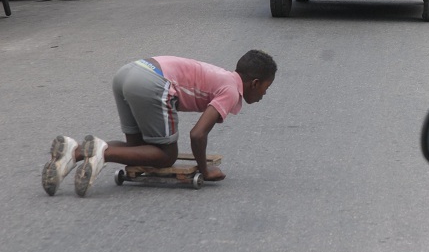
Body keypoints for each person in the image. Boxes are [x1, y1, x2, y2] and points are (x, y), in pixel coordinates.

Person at [41, 50, 277, 197]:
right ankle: (102, 153)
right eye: (266, 88)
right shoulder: (231, 90)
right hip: (153, 82)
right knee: (165, 155)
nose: (264, 95)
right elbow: (197, 134)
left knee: (138, 149)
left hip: (130, 72)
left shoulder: (223, 76)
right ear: (255, 83)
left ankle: (75, 152)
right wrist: (205, 171)